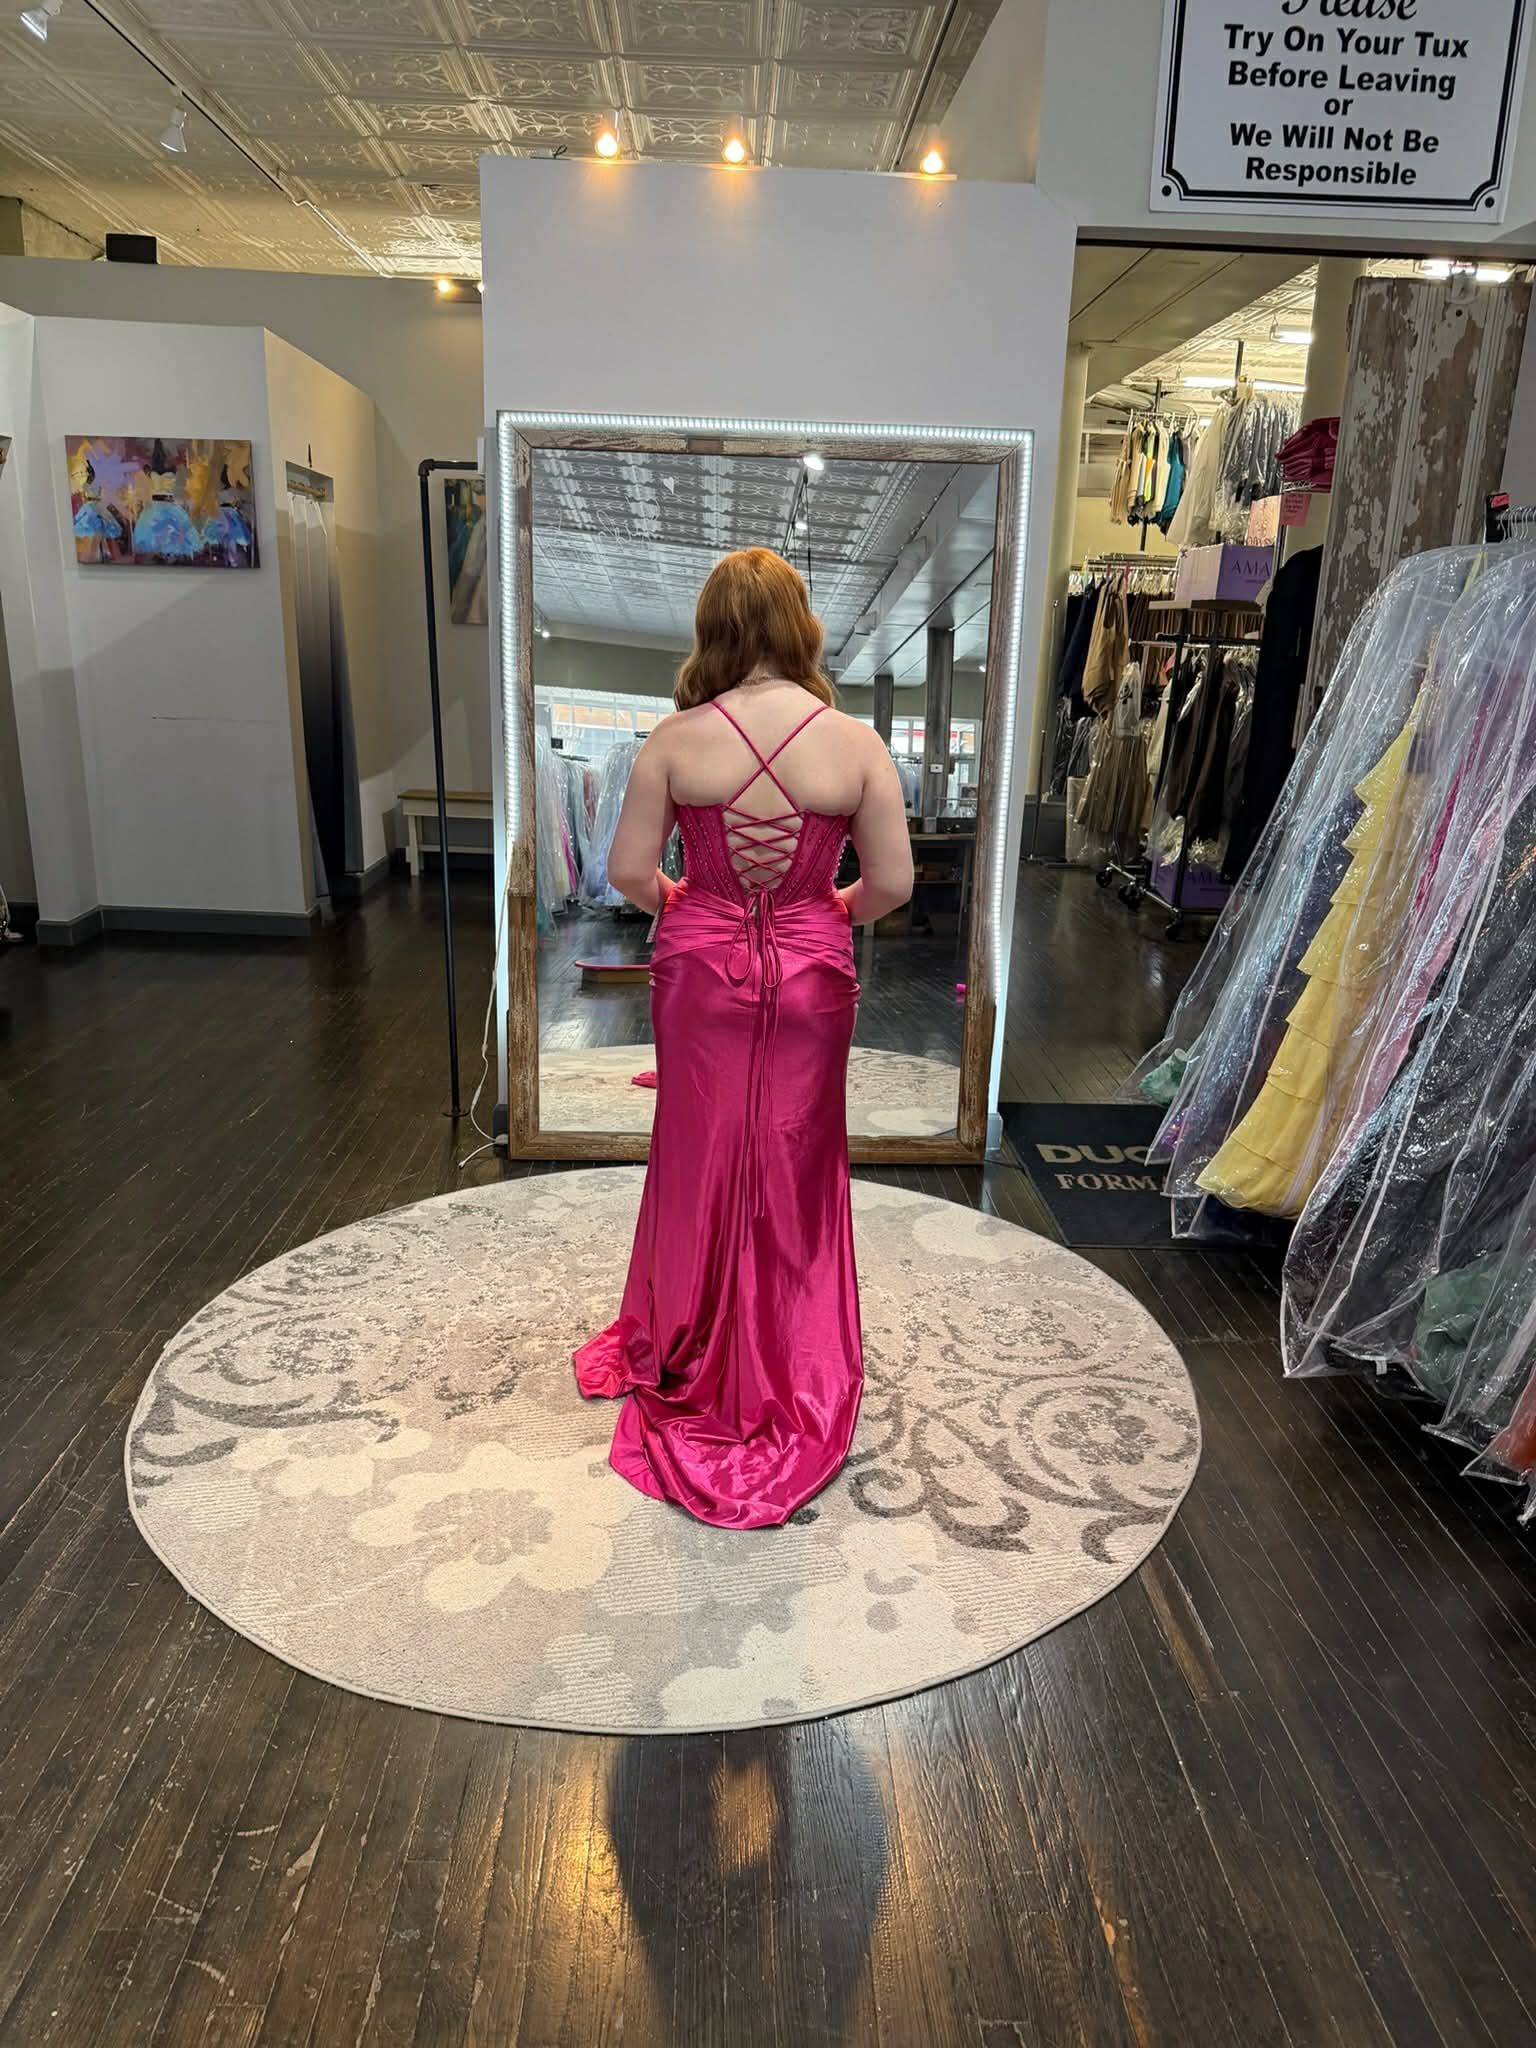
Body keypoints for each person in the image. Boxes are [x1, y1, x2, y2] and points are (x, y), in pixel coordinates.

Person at [572, 547, 915, 1529]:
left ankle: (685, 1339)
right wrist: (825, 905)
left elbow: (630, 871)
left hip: (701, 966)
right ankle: (794, 1359)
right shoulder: (855, 745)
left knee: (697, 1156)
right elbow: (890, 886)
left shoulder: (675, 740)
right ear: (800, 625)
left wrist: (686, 895)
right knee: (799, 1164)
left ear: (712, 628)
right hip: (812, 968)